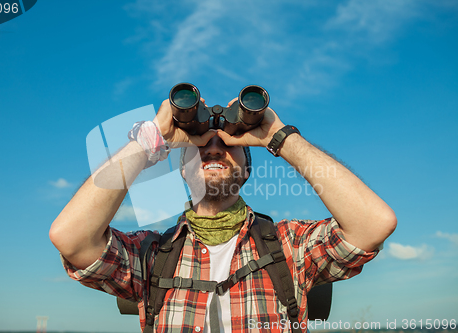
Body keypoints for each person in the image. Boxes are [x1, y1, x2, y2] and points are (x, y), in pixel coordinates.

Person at [49, 95, 397, 333]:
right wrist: (151, 139)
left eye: (230, 145)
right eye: (200, 145)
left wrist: (281, 138)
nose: (214, 147)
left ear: (247, 171)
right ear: (183, 172)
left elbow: (374, 224)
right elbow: (71, 238)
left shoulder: (289, 246)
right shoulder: (152, 256)